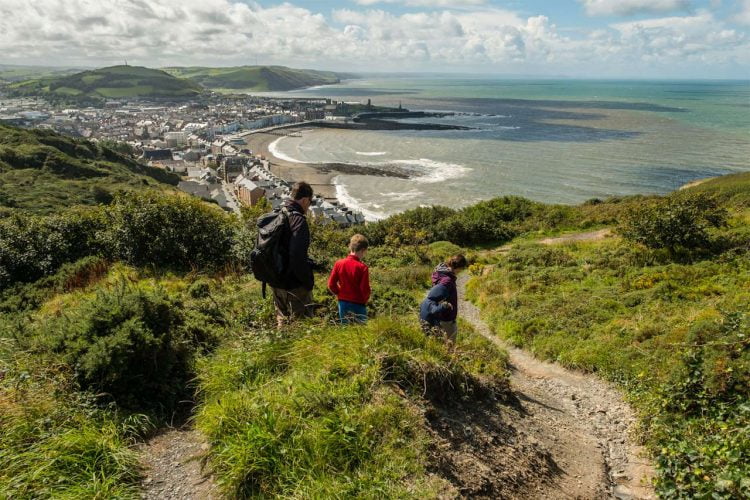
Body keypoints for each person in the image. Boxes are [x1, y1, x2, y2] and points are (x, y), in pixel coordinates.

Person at [271, 181, 315, 327]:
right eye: (310, 202)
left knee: (282, 321)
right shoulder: (298, 221)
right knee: (301, 327)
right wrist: (308, 282)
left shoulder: (278, 212)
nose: (309, 206)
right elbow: (297, 256)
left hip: (276, 282)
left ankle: (279, 349)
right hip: (293, 286)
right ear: (304, 200)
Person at [419, 254, 468, 343]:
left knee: (440, 343)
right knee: (450, 345)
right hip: (446, 319)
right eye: (462, 268)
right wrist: (445, 306)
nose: (461, 271)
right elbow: (431, 299)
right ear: (459, 268)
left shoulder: (441, 273)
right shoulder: (447, 280)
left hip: (441, 317)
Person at [328, 234, 371, 324]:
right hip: (358, 303)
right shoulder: (362, 267)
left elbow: (331, 284)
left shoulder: (339, 263)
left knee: (346, 330)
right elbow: (365, 290)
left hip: (343, 303)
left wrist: (339, 293)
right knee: (361, 332)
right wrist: (365, 300)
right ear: (363, 250)